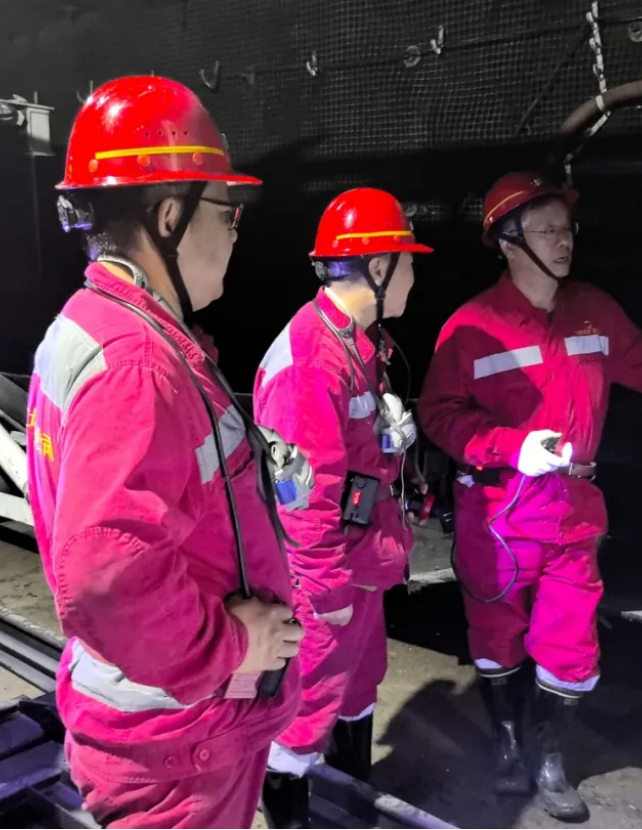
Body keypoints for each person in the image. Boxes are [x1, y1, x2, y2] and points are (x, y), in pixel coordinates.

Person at [417, 171, 642, 822]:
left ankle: (549, 761)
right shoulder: (472, 326)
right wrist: (509, 446)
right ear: (508, 241)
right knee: (497, 635)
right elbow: (439, 414)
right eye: (547, 231)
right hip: (499, 510)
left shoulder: (594, 311)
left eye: (567, 229)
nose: (564, 242)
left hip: (572, 507)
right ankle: (508, 748)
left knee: (570, 643)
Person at [26, 76, 307, 829]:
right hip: (182, 736)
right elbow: (106, 578)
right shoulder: (138, 365)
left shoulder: (88, 323)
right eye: (227, 211)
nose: (237, 232)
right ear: (171, 216)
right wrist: (233, 644)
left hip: (161, 719)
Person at [253, 188, 431, 828]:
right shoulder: (311, 360)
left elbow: (351, 459)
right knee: (304, 712)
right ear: (377, 268)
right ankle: (292, 813)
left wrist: (394, 450)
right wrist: (326, 593)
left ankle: (352, 799)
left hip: (362, 566)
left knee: (358, 684)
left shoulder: (357, 344)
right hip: (328, 579)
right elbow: (302, 500)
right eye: (407, 264)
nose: (414, 278)